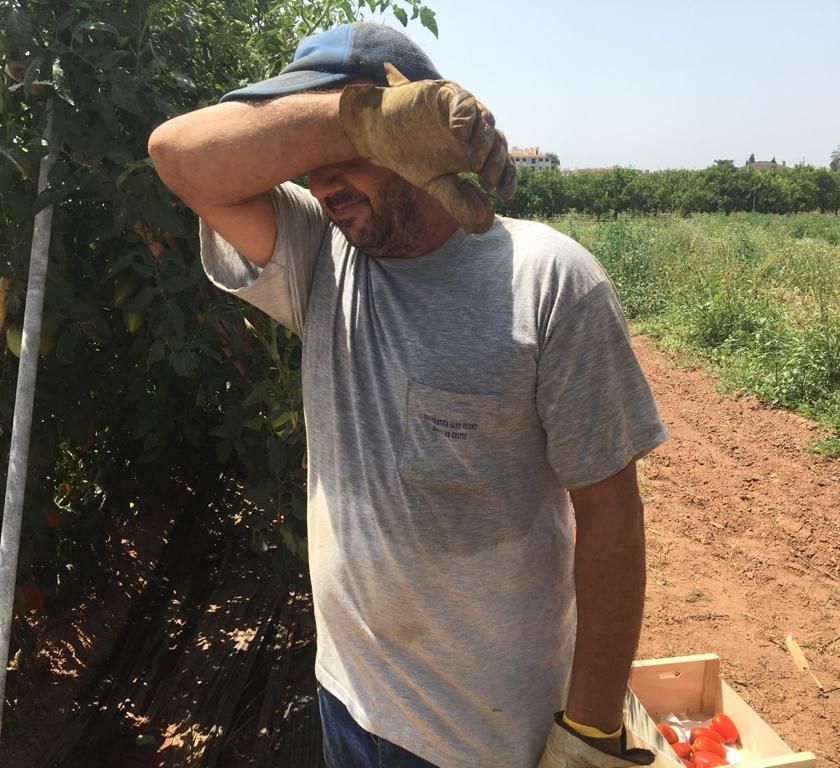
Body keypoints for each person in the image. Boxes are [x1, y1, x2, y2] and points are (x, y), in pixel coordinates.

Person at [148, 21, 666, 768]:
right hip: (350, 698)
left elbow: (610, 514)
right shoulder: (317, 257)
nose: (320, 179)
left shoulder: (549, 283)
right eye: (307, 151)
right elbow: (178, 156)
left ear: (423, 144)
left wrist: (590, 732)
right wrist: (347, 122)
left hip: (489, 736)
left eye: (349, 153)